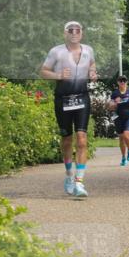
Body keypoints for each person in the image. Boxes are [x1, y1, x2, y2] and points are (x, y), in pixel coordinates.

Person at [40, 21, 97, 198]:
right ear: (65, 33)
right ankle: (69, 175)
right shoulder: (56, 51)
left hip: (82, 98)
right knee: (66, 140)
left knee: (81, 138)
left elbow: (92, 65)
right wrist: (58, 75)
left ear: (82, 33)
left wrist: (92, 73)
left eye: (77, 30)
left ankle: (79, 182)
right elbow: (43, 71)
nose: (74, 33)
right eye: (70, 30)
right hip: (63, 99)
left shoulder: (88, 50)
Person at [109, 76, 129, 166]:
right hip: (118, 118)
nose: (122, 82)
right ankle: (123, 157)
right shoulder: (115, 93)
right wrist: (113, 103)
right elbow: (110, 104)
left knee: (126, 135)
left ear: (127, 82)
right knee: (121, 139)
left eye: (124, 80)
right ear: (118, 82)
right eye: (120, 80)